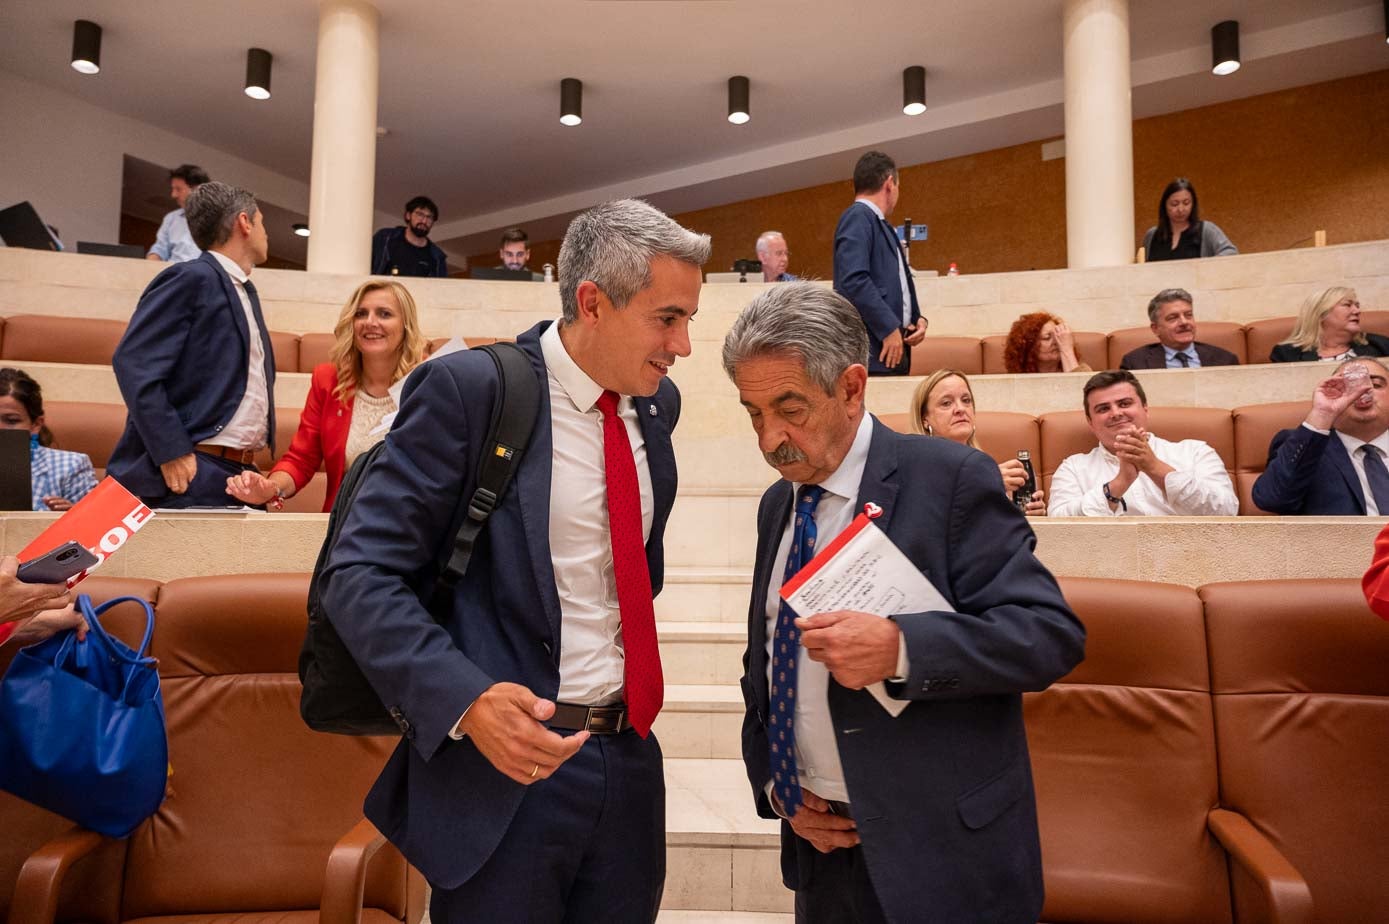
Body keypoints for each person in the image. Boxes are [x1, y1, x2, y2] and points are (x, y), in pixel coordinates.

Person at [319, 199, 710, 923]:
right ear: (591, 302)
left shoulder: (658, 407)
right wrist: (466, 699)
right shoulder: (474, 391)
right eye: (667, 318)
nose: (682, 345)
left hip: (628, 765)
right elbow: (359, 576)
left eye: (688, 318)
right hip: (506, 773)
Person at [720, 281, 1084, 923]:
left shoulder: (948, 478)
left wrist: (900, 649)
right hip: (823, 848)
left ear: (853, 386)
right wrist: (779, 788)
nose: (768, 438)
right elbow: (767, 662)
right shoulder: (778, 504)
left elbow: (1046, 634)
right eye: (753, 413)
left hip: (940, 854)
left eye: (789, 408)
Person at [108, 181, 276, 509]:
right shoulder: (191, 277)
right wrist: (170, 449)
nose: (266, 233)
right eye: (263, 222)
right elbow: (134, 362)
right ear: (245, 222)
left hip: (238, 472)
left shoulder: (243, 290)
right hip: (192, 470)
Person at [224, 280, 427, 512]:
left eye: (384, 313)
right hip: (349, 523)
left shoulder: (428, 381)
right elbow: (301, 458)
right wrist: (271, 487)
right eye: (361, 314)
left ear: (405, 325)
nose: (370, 322)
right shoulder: (328, 380)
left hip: (413, 522)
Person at [1049, 370, 1237, 517]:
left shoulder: (1195, 452)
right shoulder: (1073, 468)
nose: (1115, 413)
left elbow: (1226, 512)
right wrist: (1119, 484)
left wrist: (1154, 467)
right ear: (1090, 422)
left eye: (1124, 404)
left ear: (1145, 409)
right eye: (1103, 408)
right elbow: (1061, 526)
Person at [1251, 359, 1389, 515]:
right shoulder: (1306, 446)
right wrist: (1323, 414)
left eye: (1376, 385)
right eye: (1350, 385)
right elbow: (1271, 499)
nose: (1364, 391)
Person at [833, 151, 926, 376]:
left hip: (894, 347)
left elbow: (898, 283)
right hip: (874, 351)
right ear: (889, 183)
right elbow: (853, 281)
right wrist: (888, 328)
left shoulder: (880, 224)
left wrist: (917, 319)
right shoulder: (858, 217)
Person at [909, 368, 1046, 515]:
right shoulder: (915, 467)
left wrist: (1020, 513)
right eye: (946, 403)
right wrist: (985, 482)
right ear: (925, 419)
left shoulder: (984, 466)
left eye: (966, 400)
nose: (960, 409)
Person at [0, 368, 97, 511]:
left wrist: (73, 518)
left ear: (36, 424)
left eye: (11, 420)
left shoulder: (71, 466)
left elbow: (96, 527)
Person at [1119, 288, 1240, 369]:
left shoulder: (1225, 360)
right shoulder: (1134, 363)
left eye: (1188, 315)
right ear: (1155, 329)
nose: (1184, 322)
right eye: (1173, 318)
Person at [1270, 287, 1389, 363]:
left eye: (1357, 306)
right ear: (1321, 314)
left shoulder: (1381, 345)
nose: (1357, 311)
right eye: (1347, 305)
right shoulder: (1287, 354)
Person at [1140, 178, 1237, 262]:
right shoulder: (1151, 235)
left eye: (1186, 203)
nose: (1180, 209)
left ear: (1193, 204)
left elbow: (1231, 253)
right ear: (1164, 206)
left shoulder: (1207, 230)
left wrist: (1206, 265)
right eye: (1174, 204)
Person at [371, 196, 448, 278]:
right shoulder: (385, 238)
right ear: (408, 215)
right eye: (420, 214)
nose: (424, 221)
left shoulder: (437, 257)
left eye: (429, 217)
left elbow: (440, 286)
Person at [146, 163, 210, 264]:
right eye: (173, 189)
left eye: (178, 189)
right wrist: (147, 267)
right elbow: (159, 250)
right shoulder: (170, 218)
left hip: (204, 276)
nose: (173, 195)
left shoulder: (218, 218)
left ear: (197, 189)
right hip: (174, 275)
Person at [1004, 312, 1091, 374]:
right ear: (1029, 347)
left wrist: (1067, 349)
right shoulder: (1015, 380)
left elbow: (1082, 393)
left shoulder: (1082, 370)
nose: (1057, 341)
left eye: (1058, 335)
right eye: (1047, 337)